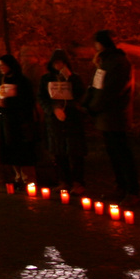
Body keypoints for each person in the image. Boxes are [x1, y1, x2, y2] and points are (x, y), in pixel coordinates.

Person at [85, 30, 140, 200]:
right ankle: (121, 186)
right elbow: (97, 86)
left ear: (101, 44)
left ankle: (131, 190)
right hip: (106, 115)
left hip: (115, 115)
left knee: (122, 153)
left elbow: (111, 90)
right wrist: (88, 103)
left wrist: (93, 106)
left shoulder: (117, 62)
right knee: (114, 153)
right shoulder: (106, 61)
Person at [38, 49, 87, 192]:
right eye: (56, 63)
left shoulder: (74, 78)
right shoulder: (46, 79)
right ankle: (64, 180)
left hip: (72, 119)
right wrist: (53, 109)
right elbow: (42, 97)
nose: (58, 65)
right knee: (58, 151)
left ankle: (78, 182)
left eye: (61, 63)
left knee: (75, 151)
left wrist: (70, 79)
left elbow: (81, 94)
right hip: (54, 121)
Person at [0, 54, 37, 183]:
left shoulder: (22, 81)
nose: (1, 68)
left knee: (23, 150)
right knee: (11, 149)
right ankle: (17, 175)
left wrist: (10, 103)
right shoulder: (1, 80)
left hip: (20, 121)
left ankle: (28, 178)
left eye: (3, 65)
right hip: (7, 121)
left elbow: (28, 100)